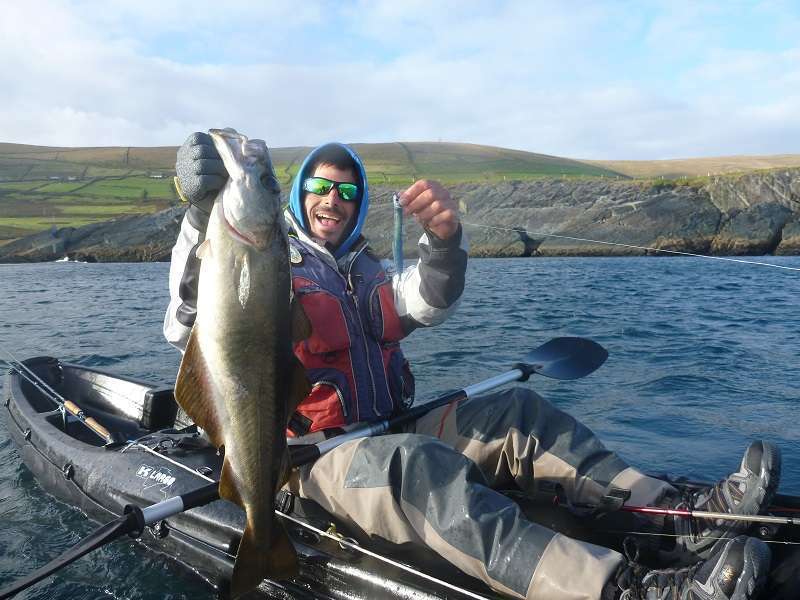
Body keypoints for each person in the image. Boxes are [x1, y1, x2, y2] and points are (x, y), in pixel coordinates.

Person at [164, 131, 780, 600]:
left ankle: (678, 511)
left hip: (393, 424)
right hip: (307, 459)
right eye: (320, 186)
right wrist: (198, 217)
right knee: (417, 466)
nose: (334, 198)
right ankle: (621, 590)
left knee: (517, 409)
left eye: (348, 190)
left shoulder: (367, 273)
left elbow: (428, 300)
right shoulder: (258, 261)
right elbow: (186, 321)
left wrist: (446, 239)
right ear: (296, 196)